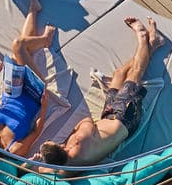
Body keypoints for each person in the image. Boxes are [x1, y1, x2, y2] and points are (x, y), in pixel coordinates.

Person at [38, 17, 164, 167]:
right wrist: (74, 132)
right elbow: (87, 120)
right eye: (52, 142)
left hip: (110, 115)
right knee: (135, 72)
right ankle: (143, 36)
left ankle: (152, 45)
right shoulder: (78, 142)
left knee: (118, 74)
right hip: (124, 118)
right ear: (60, 147)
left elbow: (43, 168)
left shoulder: (67, 167)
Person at [0, 0, 56, 157]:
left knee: (21, 51)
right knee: (18, 46)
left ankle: (34, 9)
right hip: (34, 93)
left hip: (12, 89)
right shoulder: (14, 149)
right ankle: (45, 40)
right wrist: (45, 106)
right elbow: (36, 132)